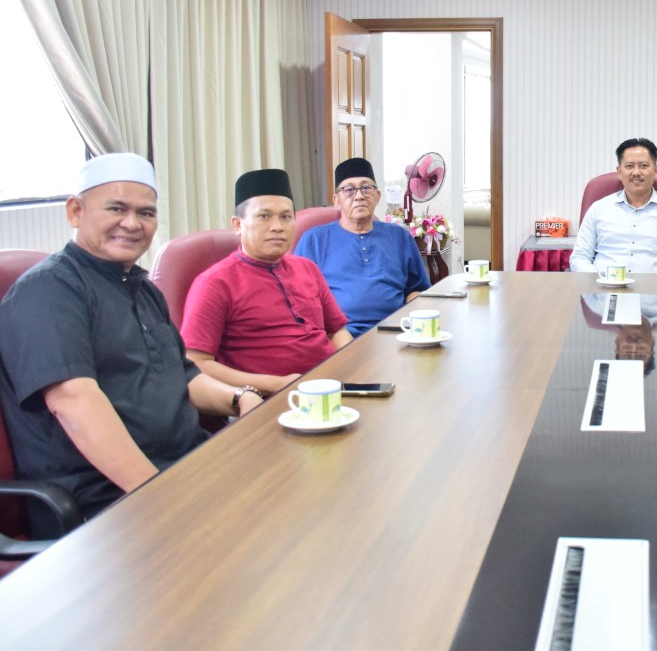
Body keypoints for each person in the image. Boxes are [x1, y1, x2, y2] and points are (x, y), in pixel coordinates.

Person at [0, 154, 262, 536]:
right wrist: (161, 494)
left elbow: (184, 376)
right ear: (75, 211)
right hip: (110, 501)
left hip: (188, 467)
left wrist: (240, 398)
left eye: (146, 213)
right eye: (116, 209)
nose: (132, 223)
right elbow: (73, 402)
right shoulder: (48, 291)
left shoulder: (140, 286)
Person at [181, 168, 352, 393]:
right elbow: (196, 363)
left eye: (286, 217)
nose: (277, 226)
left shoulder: (307, 268)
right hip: (265, 399)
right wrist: (276, 385)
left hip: (329, 388)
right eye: (264, 216)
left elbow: (338, 331)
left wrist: (347, 365)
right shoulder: (215, 283)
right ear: (237, 224)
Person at [295, 157, 430, 337]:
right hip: (340, 336)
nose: (359, 196)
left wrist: (413, 322)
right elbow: (299, 300)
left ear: (377, 196)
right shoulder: (314, 240)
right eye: (349, 190)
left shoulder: (400, 236)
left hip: (397, 331)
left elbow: (417, 289)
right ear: (336, 200)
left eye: (366, 188)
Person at [570, 138, 657, 275]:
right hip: (603, 286)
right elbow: (580, 257)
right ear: (619, 172)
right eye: (629, 166)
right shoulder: (598, 209)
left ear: (656, 170)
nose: (636, 172)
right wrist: (597, 280)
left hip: (656, 287)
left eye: (643, 166)